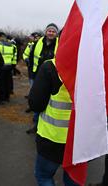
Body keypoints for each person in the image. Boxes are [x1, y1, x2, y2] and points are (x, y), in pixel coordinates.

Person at [28, 58, 78, 186]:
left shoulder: (51, 66)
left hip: (53, 138)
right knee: (73, 179)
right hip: (82, 140)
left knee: (43, 176)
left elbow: (36, 104)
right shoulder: (97, 65)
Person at [27, 23, 59, 134]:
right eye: (49, 31)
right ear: (46, 32)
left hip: (54, 79)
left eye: (53, 31)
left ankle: (48, 125)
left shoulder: (60, 43)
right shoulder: (38, 43)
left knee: (51, 102)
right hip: (38, 76)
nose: (51, 33)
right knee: (38, 99)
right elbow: (31, 58)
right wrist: (31, 72)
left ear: (56, 33)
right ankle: (36, 124)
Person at [0, 32, 16, 104]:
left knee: (0, 83)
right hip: (9, 66)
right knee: (7, 82)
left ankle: (0, 99)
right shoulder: (11, 45)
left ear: (0, 37)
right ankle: (7, 97)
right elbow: (14, 56)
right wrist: (13, 65)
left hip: (1, 67)